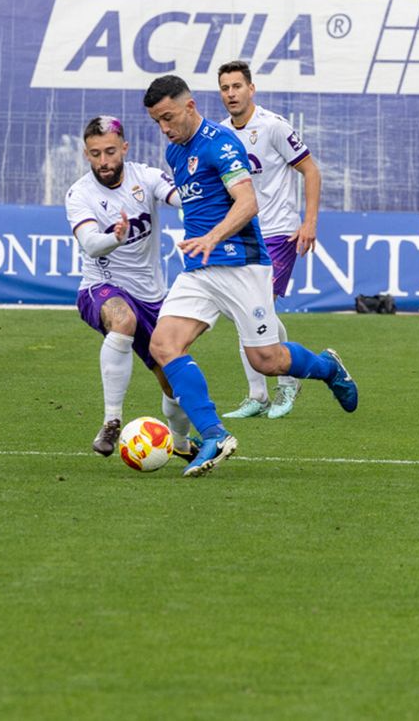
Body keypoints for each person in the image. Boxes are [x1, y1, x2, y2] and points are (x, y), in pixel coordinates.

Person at [143, 74, 357, 478]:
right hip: (200, 269)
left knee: (267, 360)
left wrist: (213, 236)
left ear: (190, 106)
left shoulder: (221, 144)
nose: (164, 128)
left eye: (168, 118)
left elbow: (248, 202)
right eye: (157, 122)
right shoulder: (175, 152)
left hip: (241, 263)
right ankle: (214, 435)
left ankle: (327, 367)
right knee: (164, 345)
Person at [65, 116, 200, 460]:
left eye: (110, 151)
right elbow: (90, 245)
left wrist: (199, 196)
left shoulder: (147, 177)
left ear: (124, 148)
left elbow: (180, 197)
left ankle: (181, 442)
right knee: (123, 320)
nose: (104, 161)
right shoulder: (79, 193)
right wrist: (115, 237)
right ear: (86, 154)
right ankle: (112, 422)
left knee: (174, 381)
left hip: (152, 297)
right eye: (95, 153)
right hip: (102, 286)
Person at [216, 60, 322, 420]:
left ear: (251, 89)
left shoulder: (273, 126)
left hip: (278, 233)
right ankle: (258, 395)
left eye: (237, 86)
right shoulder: (220, 134)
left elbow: (310, 170)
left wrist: (309, 223)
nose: (231, 94)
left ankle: (286, 383)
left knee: (254, 308)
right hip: (243, 233)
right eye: (225, 88)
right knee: (246, 311)